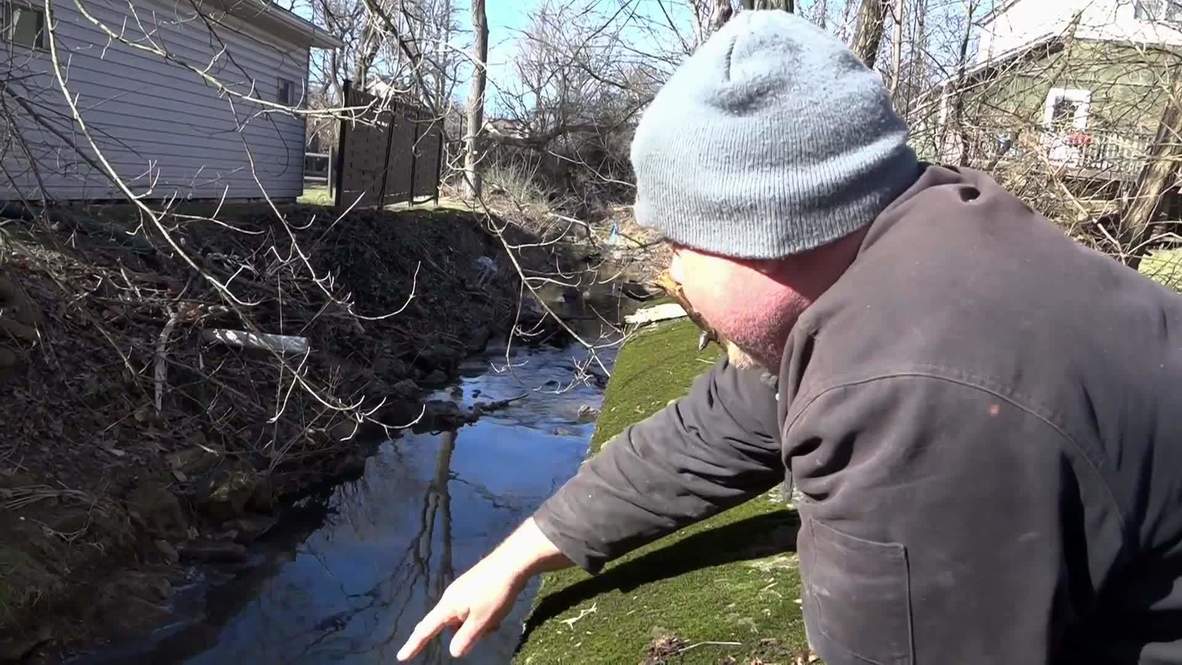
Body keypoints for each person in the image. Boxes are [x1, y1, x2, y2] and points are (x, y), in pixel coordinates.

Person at [398, 11, 1182, 664]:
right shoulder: (910, 260)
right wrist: (521, 550)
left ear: (762, 231)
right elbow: (719, 428)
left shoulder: (904, 391)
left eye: (677, 243)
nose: (670, 275)